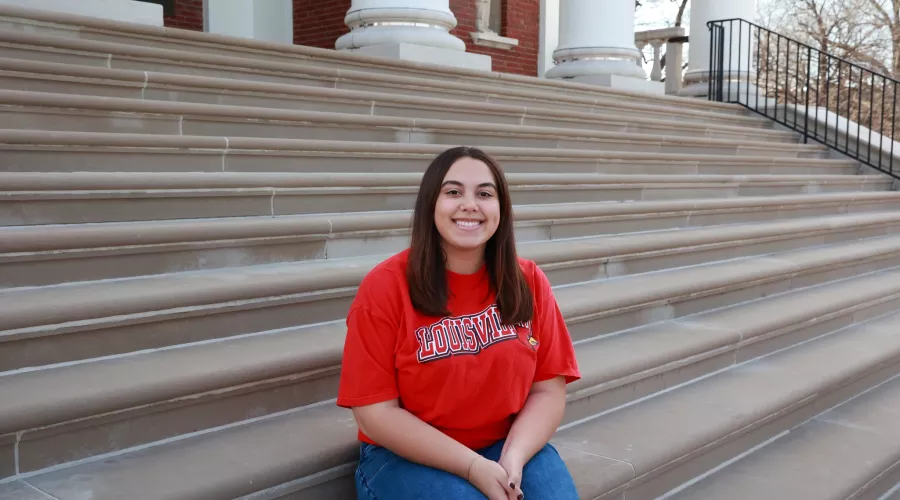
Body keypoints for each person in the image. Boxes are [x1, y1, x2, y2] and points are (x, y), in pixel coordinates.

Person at [337, 146, 582, 500]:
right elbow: (375, 414)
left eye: (484, 194)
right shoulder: (385, 287)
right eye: (453, 192)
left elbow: (548, 390)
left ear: (501, 208)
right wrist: (472, 466)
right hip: (405, 457)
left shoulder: (527, 281)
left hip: (504, 442)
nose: (470, 204)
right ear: (431, 204)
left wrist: (513, 458)